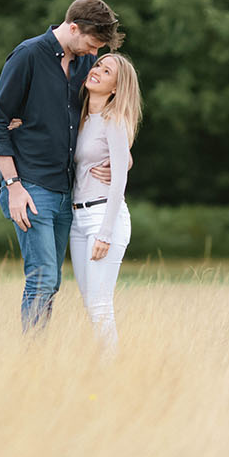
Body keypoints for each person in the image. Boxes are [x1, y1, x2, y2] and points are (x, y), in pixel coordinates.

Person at [0, 0, 124, 333]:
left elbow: (106, 115)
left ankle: (41, 358)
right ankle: (33, 361)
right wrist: (13, 186)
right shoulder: (28, 56)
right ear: (73, 27)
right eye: (92, 43)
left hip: (67, 192)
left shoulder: (82, 66)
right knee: (42, 277)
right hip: (30, 186)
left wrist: (122, 159)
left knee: (53, 281)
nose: (94, 53)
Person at [70, 53, 141, 355]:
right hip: (77, 218)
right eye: (98, 64)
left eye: (106, 70)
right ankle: (103, 366)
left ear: (115, 87)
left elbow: (119, 182)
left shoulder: (114, 120)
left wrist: (106, 233)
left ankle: (111, 373)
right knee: (89, 303)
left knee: (100, 305)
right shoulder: (80, 116)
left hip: (103, 217)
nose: (96, 70)